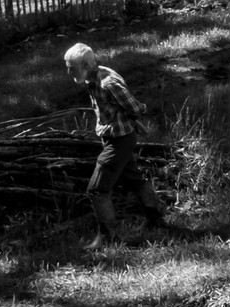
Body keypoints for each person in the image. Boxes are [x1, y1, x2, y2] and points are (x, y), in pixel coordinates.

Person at [63, 44, 167, 239]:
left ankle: (107, 237)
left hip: (120, 141)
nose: (69, 72)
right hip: (114, 137)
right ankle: (156, 222)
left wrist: (128, 118)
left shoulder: (108, 83)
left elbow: (136, 108)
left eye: (72, 68)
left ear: (86, 64)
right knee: (135, 180)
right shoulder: (91, 77)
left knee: (96, 190)